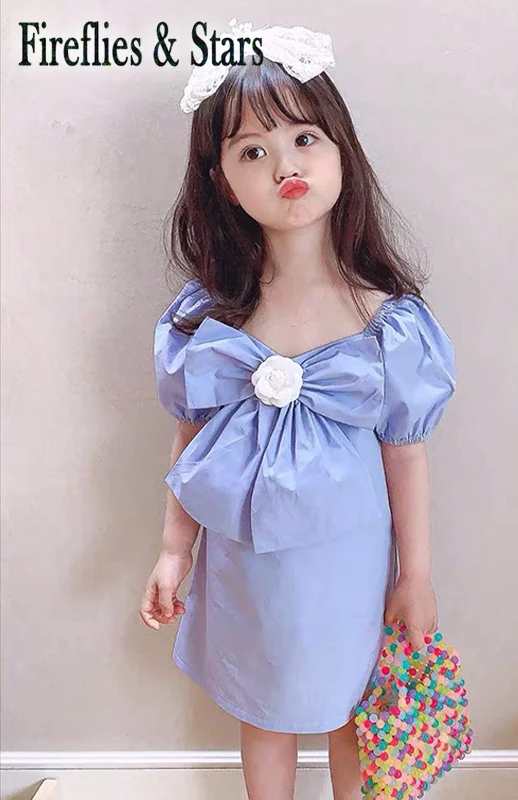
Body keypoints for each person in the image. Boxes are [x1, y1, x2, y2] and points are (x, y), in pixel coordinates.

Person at [138, 19, 457, 800]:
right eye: (252, 151)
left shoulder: (387, 321)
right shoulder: (211, 317)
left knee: (355, 706)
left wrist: (415, 576)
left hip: (350, 556)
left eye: (304, 139)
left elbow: (405, 452)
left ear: (341, 149)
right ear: (222, 181)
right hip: (248, 556)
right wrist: (175, 551)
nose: (285, 166)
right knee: (264, 706)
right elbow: (192, 438)